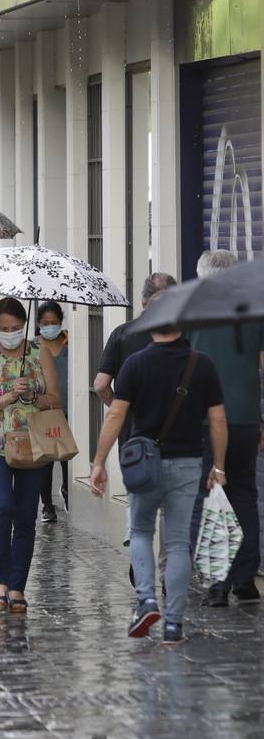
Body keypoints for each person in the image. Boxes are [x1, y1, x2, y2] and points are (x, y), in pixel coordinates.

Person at [90, 322, 227, 645]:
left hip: (144, 463)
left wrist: (99, 461)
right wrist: (219, 466)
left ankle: (147, 600)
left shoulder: (135, 363)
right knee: (178, 542)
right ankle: (173, 625)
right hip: (187, 462)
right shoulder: (202, 363)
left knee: (140, 530)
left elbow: (115, 416)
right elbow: (218, 419)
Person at [0, 298, 60, 615]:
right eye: (4, 329)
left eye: (16, 329)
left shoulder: (41, 354)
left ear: (25, 326)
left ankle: (17, 586)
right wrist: (9, 396)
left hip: (33, 443)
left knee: (26, 514)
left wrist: (33, 396)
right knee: (4, 505)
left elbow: (55, 401)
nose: (10, 334)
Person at [189, 249, 264, 607]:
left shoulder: (189, 311)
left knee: (208, 498)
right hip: (247, 418)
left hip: (204, 420)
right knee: (245, 494)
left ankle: (216, 584)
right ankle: (245, 580)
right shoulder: (253, 310)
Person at [94, 272, 177, 446]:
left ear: (143, 302)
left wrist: (121, 409)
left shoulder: (121, 334)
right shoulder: (184, 335)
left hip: (133, 433)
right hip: (177, 431)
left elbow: (101, 385)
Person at [35, 301, 69, 521]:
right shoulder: (32, 348)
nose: (50, 327)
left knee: (66, 455)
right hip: (44, 409)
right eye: (45, 323)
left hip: (68, 408)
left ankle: (67, 489)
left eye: (54, 323)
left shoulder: (71, 343)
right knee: (46, 460)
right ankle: (47, 504)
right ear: (38, 324)